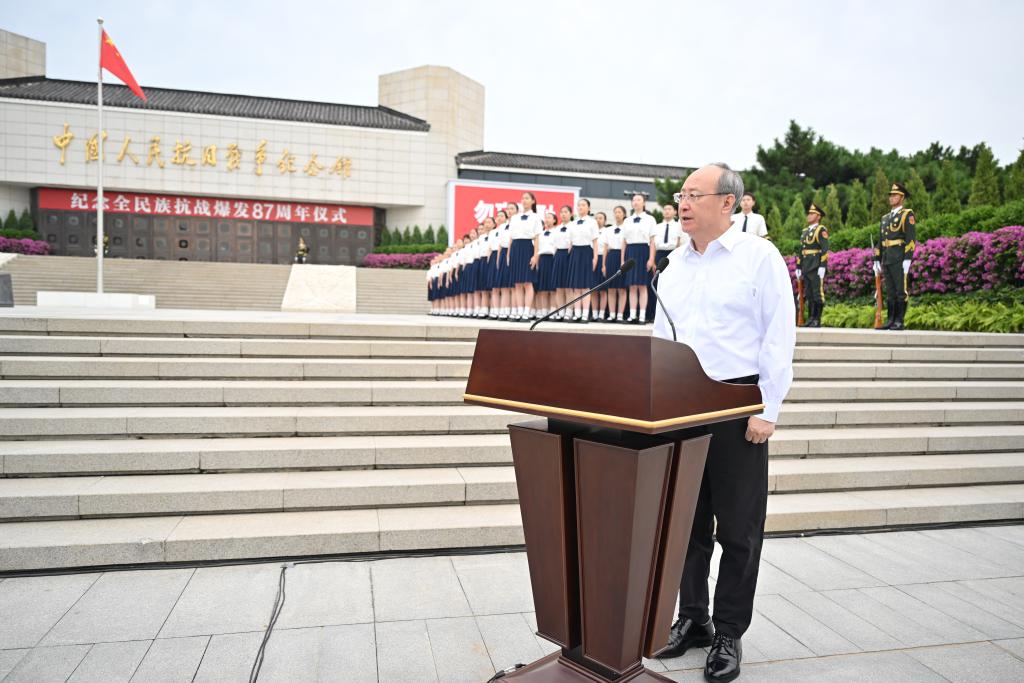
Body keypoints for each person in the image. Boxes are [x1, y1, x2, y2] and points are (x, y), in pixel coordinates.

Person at [653, 163, 795, 683]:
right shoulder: (674, 264)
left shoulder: (758, 257)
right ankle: (694, 618)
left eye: (694, 194)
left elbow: (778, 333)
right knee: (685, 525)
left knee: (739, 530)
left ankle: (729, 632)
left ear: (727, 202)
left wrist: (768, 408)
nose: (683, 203)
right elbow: (661, 340)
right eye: (681, 195)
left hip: (737, 405)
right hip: (681, 406)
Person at [874, 182, 917, 330]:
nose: (891, 198)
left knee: (900, 291)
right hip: (887, 258)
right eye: (890, 195)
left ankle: (899, 320)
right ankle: (891, 320)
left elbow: (910, 238)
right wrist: (877, 259)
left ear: (902, 197)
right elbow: (880, 241)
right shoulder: (885, 218)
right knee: (890, 291)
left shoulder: (907, 214)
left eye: (895, 195)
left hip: (899, 258)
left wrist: (908, 258)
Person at [508, 192, 543, 321]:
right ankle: (519, 311)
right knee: (517, 283)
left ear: (533, 201)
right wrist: (509, 254)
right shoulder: (515, 218)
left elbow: (537, 238)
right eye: (523, 198)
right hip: (515, 248)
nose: (524, 200)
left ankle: (526, 312)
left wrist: (535, 255)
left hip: (528, 248)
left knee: (528, 282)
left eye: (527, 198)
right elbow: (511, 237)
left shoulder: (536, 217)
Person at [622, 193, 656, 323]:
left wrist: (651, 258)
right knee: (632, 286)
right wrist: (622, 260)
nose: (635, 202)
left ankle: (642, 316)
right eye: (634, 200)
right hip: (630, 251)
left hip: (643, 251)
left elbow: (652, 241)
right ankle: (632, 315)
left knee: (642, 286)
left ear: (644, 203)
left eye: (638, 200)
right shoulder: (627, 220)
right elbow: (624, 242)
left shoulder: (650, 219)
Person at [796, 203, 829, 328]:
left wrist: (823, 265)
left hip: (815, 266)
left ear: (818, 216)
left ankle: (817, 319)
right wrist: (799, 267)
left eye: (812, 214)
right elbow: (801, 251)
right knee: (809, 294)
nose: (809, 216)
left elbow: (825, 249)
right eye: (808, 214)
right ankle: (810, 318)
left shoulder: (821, 230)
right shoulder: (805, 231)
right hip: (806, 266)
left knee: (817, 293)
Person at [566, 198, 599, 322]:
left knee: (585, 285)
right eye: (579, 205)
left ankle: (585, 314)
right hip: (575, 253)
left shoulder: (592, 222)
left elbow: (595, 241)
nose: (580, 207)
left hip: (586, 252)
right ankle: (577, 313)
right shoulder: (573, 223)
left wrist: (595, 258)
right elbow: (570, 242)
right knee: (575, 286)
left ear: (588, 208)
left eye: (583, 205)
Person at [604, 206, 627, 322]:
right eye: (615, 212)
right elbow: (605, 247)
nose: (617, 214)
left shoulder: (627, 228)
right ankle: (612, 314)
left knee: (622, 288)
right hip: (611, 256)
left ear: (624, 214)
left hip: (623, 256)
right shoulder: (608, 230)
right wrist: (603, 264)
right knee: (611, 288)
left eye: (619, 212)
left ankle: (620, 314)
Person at [534, 211, 558, 318]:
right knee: (543, 288)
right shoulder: (540, 234)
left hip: (553, 259)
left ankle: (552, 311)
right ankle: (544, 311)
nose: (547, 219)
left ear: (554, 220)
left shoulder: (557, 232)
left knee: (552, 288)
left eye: (549, 217)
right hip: (542, 260)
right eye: (546, 217)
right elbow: (537, 249)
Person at [552, 206, 574, 320]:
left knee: (568, 286)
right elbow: (554, 244)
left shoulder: (574, 227)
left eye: (566, 212)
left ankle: (569, 311)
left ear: (571, 214)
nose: (563, 214)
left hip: (569, 255)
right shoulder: (557, 228)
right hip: (558, 255)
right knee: (559, 286)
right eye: (561, 212)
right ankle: (560, 311)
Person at [593, 211, 609, 321]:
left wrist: (604, 263)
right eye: (596, 218)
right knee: (593, 289)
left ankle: (601, 314)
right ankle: (594, 314)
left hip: (603, 259)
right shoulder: (591, 230)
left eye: (600, 218)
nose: (598, 220)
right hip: (593, 260)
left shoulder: (607, 231)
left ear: (605, 220)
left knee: (603, 289)